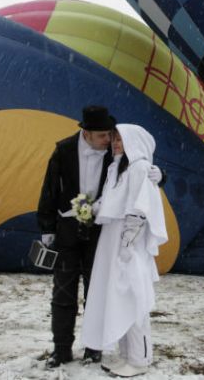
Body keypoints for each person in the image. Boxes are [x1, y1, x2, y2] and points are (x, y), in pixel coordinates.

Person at [36, 106, 165, 368]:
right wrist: (48, 228)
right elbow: (49, 189)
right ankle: (61, 349)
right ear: (86, 133)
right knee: (63, 292)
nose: (109, 141)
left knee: (98, 291)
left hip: (101, 234)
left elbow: (139, 172)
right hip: (68, 232)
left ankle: (94, 349)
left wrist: (161, 176)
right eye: (103, 136)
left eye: (111, 135)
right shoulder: (63, 150)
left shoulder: (116, 153)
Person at [81, 124, 168, 378]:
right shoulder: (117, 168)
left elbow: (139, 210)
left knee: (134, 299)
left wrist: (128, 244)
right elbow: (111, 201)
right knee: (119, 299)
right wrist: (89, 208)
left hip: (127, 245)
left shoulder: (140, 168)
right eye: (115, 139)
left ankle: (140, 360)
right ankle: (126, 356)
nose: (116, 143)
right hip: (113, 243)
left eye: (121, 139)